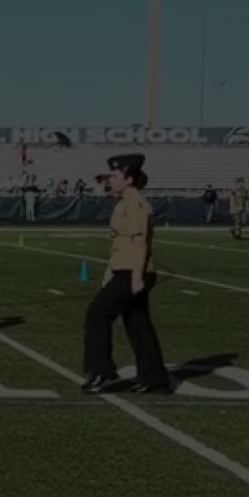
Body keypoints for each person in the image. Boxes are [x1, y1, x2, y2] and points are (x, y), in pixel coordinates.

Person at [80, 153, 169, 395]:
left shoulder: (135, 204)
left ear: (128, 178)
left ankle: (103, 372)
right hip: (125, 270)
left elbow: (140, 243)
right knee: (138, 323)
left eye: (115, 175)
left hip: (133, 272)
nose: (111, 179)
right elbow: (121, 245)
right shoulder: (123, 203)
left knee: (97, 313)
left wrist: (137, 277)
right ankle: (154, 378)